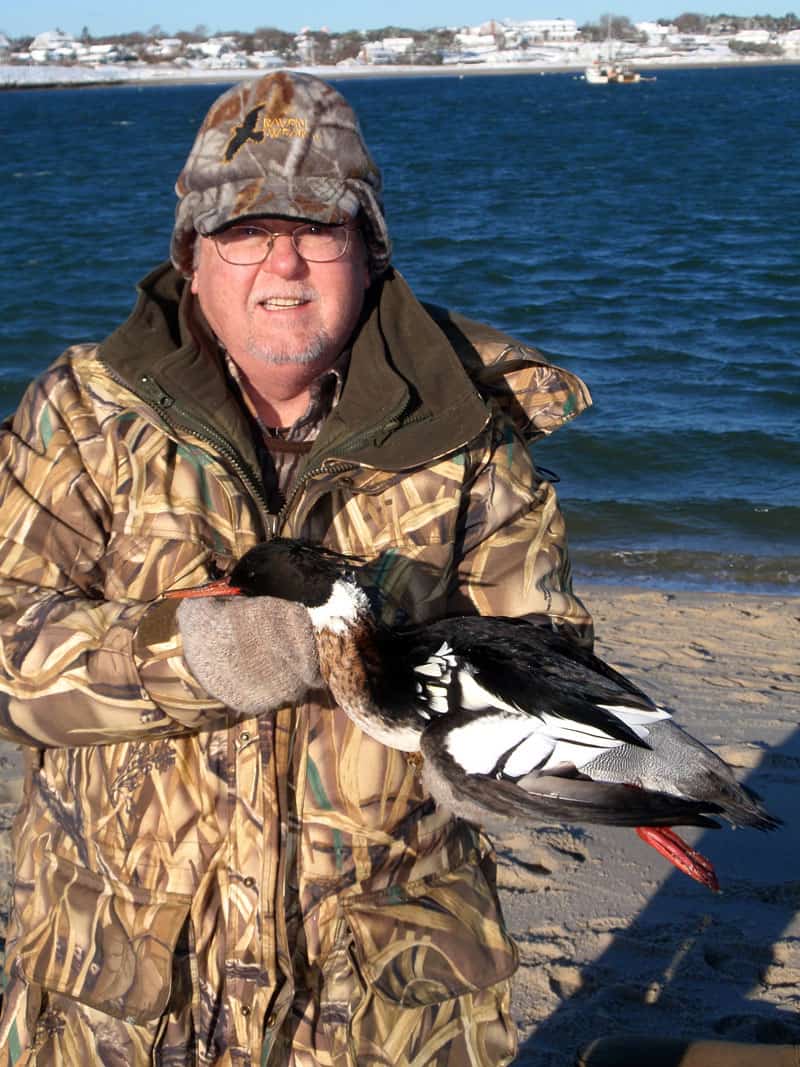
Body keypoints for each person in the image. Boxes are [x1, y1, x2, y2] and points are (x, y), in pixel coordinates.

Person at [0, 72, 593, 1066]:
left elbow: (549, 654)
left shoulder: (463, 426)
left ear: (368, 251)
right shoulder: (78, 416)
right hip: (126, 980)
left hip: (384, 987)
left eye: (317, 227)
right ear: (192, 257)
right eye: (244, 229)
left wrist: (404, 674)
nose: (283, 259)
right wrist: (188, 652)